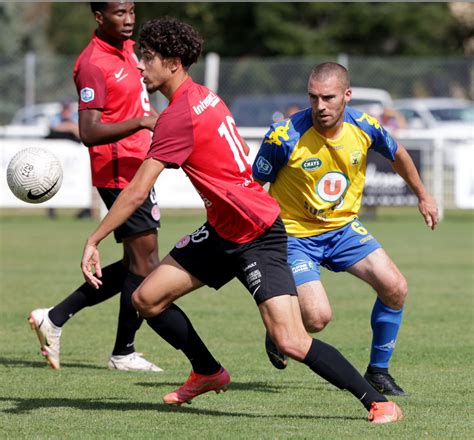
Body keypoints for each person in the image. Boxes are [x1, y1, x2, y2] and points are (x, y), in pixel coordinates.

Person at [80, 18, 403, 424]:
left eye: (147, 58)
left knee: (290, 340)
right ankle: (208, 372)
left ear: (174, 62)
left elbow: (136, 192)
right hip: (222, 230)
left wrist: (94, 239)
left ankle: (378, 402)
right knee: (146, 299)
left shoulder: (178, 116)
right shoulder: (203, 96)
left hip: (257, 234)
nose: (140, 67)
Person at [252, 62, 439, 396]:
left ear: (347, 96)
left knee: (395, 287)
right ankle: (280, 328)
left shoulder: (365, 126)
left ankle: (378, 372)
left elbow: (398, 155)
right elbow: (253, 187)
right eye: (313, 98)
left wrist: (423, 196)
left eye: (328, 97)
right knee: (318, 318)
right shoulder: (284, 135)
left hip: (344, 231)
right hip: (295, 237)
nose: (320, 106)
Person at [28, 1, 162, 372]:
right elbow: (88, 132)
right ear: (99, 17)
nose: (129, 18)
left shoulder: (131, 50)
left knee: (143, 263)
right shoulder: (92, 64)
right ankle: (121, 351)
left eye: (132, 10)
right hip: (118, 172)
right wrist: (141, 122)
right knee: (146, 262)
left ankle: (55, 318)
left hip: (139, 166)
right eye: (120, 13)